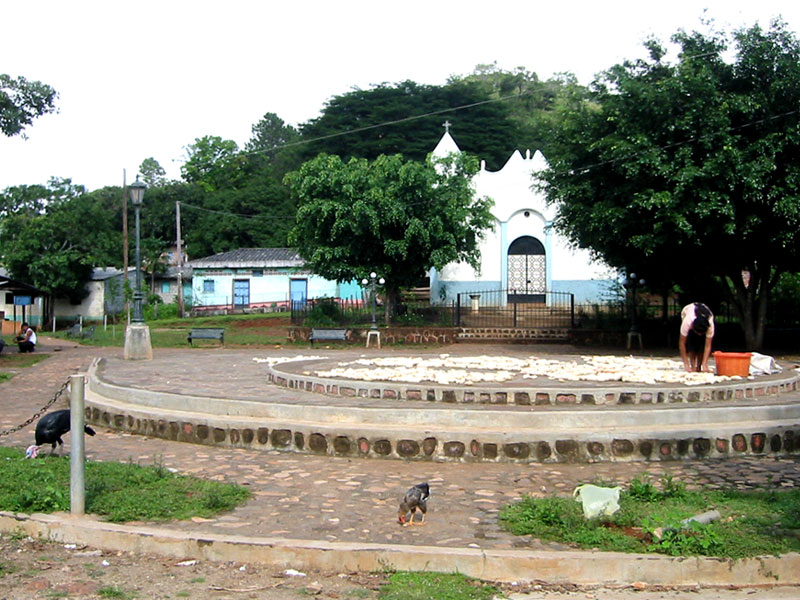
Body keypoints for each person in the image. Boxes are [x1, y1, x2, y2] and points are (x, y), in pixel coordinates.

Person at [679, 303, 714, 372]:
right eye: (698, 332)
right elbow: (682, 343)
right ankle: (693, 366)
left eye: (701, 333)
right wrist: (686, 364)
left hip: (702, 317)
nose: (699, 334)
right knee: (692, 342)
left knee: (701, 344)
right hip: (687, 311)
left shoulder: (710, 324)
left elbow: (708, 345)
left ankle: (699, 366)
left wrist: (705, 364)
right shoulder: (687, 322)